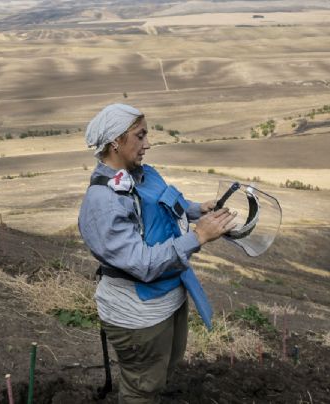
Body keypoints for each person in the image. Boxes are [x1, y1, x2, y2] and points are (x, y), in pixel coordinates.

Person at [78, 103, 238, 403]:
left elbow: (160, 204)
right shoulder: (104, 201)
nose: (147, 144)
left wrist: (195, 210)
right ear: (116, 141)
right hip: (139, 315)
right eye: (140, 136)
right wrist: (198, 235)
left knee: (162, 372)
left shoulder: (140, 173)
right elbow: (142, 264)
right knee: (142, 389)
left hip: (168, 297)